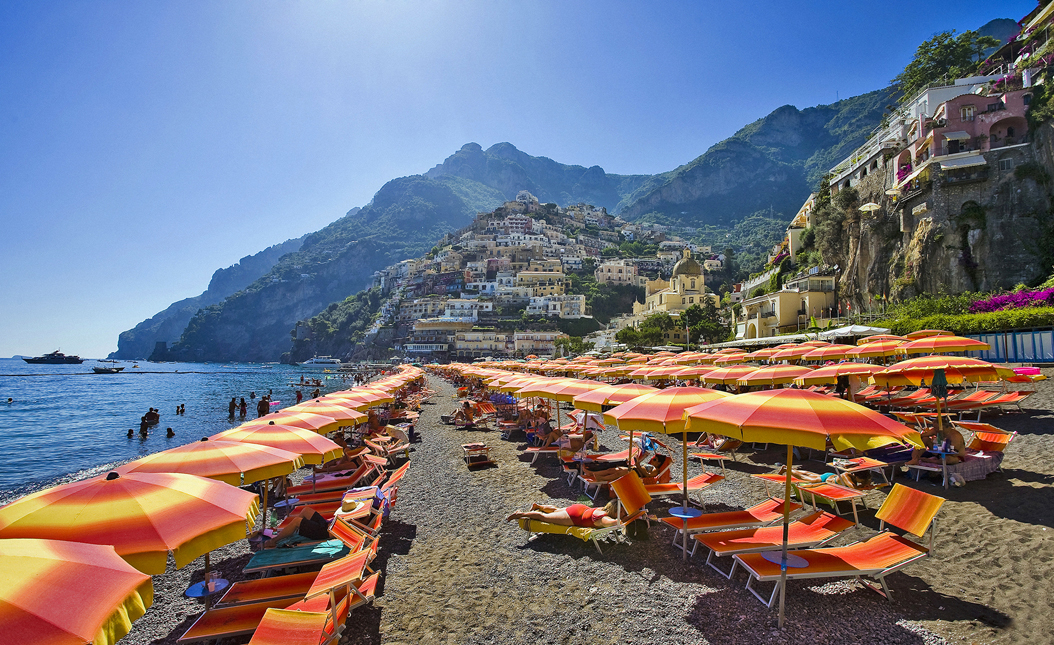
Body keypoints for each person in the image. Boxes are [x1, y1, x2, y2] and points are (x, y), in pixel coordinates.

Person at [506, 499, 621, 528]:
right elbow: (614, 522)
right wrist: (626, 520)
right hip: (574, 517)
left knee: (556, 510)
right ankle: (520, 514)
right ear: (616, 512)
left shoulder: (603, 509)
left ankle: (538, 506)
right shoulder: (603, 518)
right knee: (544, 517)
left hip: (580, 508)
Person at [264, 506, 329, 547]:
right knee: (306, 510)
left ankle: (274, 541)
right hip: (327, 524)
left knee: (297, 521)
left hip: (327, 531)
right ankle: (288, 531)